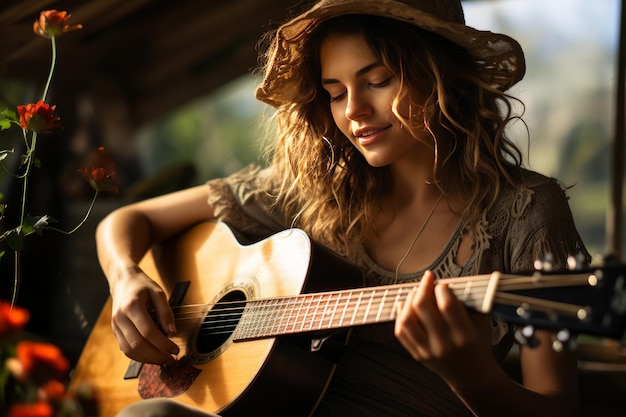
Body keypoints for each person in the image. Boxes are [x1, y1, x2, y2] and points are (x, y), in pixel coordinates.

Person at [95, 0, 590, 416]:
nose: (352, 110)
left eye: (376, 81)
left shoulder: (527, 210)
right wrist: (125, 278)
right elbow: (128, 220)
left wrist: (472, 376)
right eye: (335, 93)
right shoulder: (315, 189)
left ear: (441, 77)